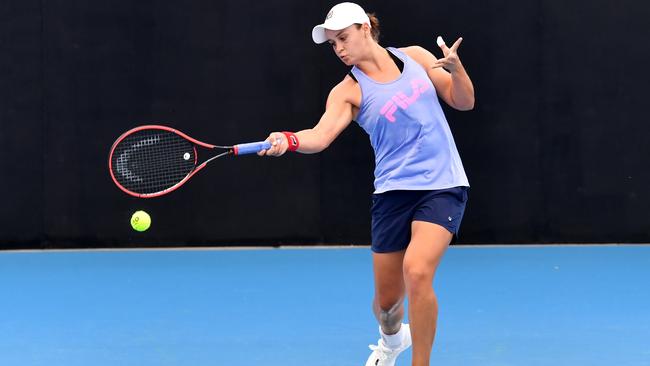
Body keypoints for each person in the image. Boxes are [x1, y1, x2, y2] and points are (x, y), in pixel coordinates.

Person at [258, 2, 474, 365]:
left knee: (418, 271)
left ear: (364, 28)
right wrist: (289, 139)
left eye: (343, 38)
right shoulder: (347, 92)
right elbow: (321, 135)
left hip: (443, 184)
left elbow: (463, 101)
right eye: (332, 44)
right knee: (387, 306)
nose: (339, 48)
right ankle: (392, 340)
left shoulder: (417, 58)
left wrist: (458, 69)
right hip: (392, 194)